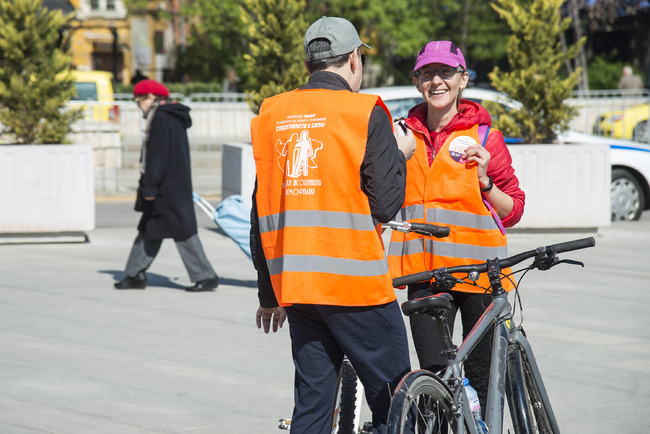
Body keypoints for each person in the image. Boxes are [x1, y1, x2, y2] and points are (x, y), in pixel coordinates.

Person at [249, 16, 416, 434]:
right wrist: (399, 154)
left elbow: (261, 209)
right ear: (354, 61)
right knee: (395, 402)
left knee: (313, 405)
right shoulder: (363, 111)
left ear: (309, 64)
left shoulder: (272, 113)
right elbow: (386, 204)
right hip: (355, 288)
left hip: (299, 290)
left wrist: (269, 293)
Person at [387, 40, 525, 413]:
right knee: (433, 380)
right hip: (423, 274)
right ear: (417, 82)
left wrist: (485, 181)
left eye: (446, 73)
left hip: (480, 275)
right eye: (428, 74)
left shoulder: (485, 138)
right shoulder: (401, 137)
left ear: (462, 79)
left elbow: (513, 210)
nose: (437, 81)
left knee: (480, 381)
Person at [114, 79, 219, 292]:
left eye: (139, 101)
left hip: (165, 189)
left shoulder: (161, 119)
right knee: (150, 230)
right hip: (171, 186)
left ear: (151, 97)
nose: (138, 106)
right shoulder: (170, 116)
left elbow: (157, 158)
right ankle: (134, 274)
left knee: (182, 232)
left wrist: (150, 187)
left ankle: (206, 276)